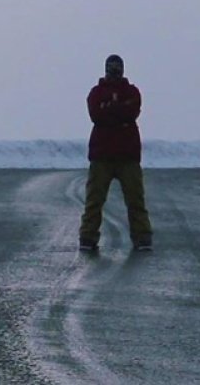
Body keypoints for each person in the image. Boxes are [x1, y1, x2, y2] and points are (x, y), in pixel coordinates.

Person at [79, 54, 153, 252]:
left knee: (135, 199)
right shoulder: (96, 92)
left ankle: (142, 236)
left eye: (117, 68)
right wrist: (118, 111)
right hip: (101, 156)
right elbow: (96, 114)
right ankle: (88, 236)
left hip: (127, 156)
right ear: (105, 69)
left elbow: (132, 111)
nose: (114, 72)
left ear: (123, 70)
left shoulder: (132, 91)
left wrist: (110, 109)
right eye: (111, 68)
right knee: (94, 200)